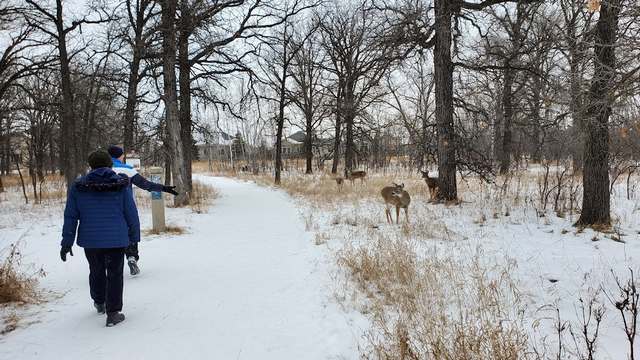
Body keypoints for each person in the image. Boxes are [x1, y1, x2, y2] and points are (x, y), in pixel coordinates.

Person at [60, 150, 139, 327]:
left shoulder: (79, 186)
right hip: (116, 238)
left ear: (91, 166)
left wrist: (67, 242)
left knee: (96, 270)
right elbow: (131, 213)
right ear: (110, 165)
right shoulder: (121, 184)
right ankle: (113, 313)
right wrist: (134, 237)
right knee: (115, 274)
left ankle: (99, 301)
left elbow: (71, 216)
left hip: (91, 239)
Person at [107, 145, 178, 276]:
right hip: (125, 206)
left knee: (109, 232)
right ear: (120, 156)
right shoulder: (127, 169)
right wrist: (164, 188)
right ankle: (132, 256)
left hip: (105, 209)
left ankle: (109, 260)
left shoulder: (100, 169)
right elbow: (146, 185)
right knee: (131, 229)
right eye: (122, 155)